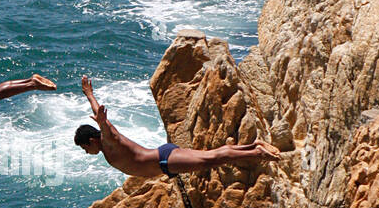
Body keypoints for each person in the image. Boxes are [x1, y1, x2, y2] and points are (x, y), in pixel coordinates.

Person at [75, 75, 281, 176]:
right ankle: (254, 147)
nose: (86, 153)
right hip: (164, 159)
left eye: (85, 148)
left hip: (165, 160)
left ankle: (257, 153)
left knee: (211, 160)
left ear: (92, 140)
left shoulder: (108, 142)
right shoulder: (106, 145)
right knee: (211, 157)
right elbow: (98, 115)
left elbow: (105, 127)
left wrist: (101, 120)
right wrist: (89, 95)